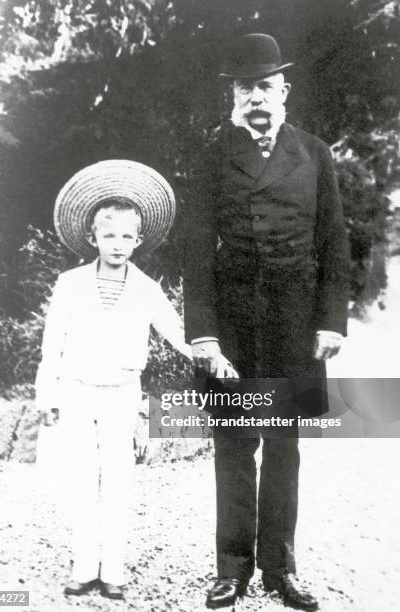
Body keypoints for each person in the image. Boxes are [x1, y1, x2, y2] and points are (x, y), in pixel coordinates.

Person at [183, 34, 350, 611]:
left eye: (266, 86)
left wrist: (331, 322)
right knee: (233, 445)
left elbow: (334, 242)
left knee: (286, 446)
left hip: (297, 323)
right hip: (231, 323)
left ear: (285, 92)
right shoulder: (211, 155)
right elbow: (197, 246)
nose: (256, 97)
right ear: (234, 95)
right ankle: (231, 570)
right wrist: (203, 334)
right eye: (245, 87)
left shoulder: (315, 153)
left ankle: (281, 569)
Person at [35, 160, 191, 600]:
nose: (117, 244)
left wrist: (208, 351)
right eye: (109, 235)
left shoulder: (147, 289)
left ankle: (114, 567)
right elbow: (53, 345)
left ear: (139, 240)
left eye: (127, 236)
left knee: (119, 479)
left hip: (122, 393)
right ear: (93, 238)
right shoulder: (70, 284)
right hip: (78, 391)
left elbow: (177, 334)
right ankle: (85, 565)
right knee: (82, 478)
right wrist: (47, 394)